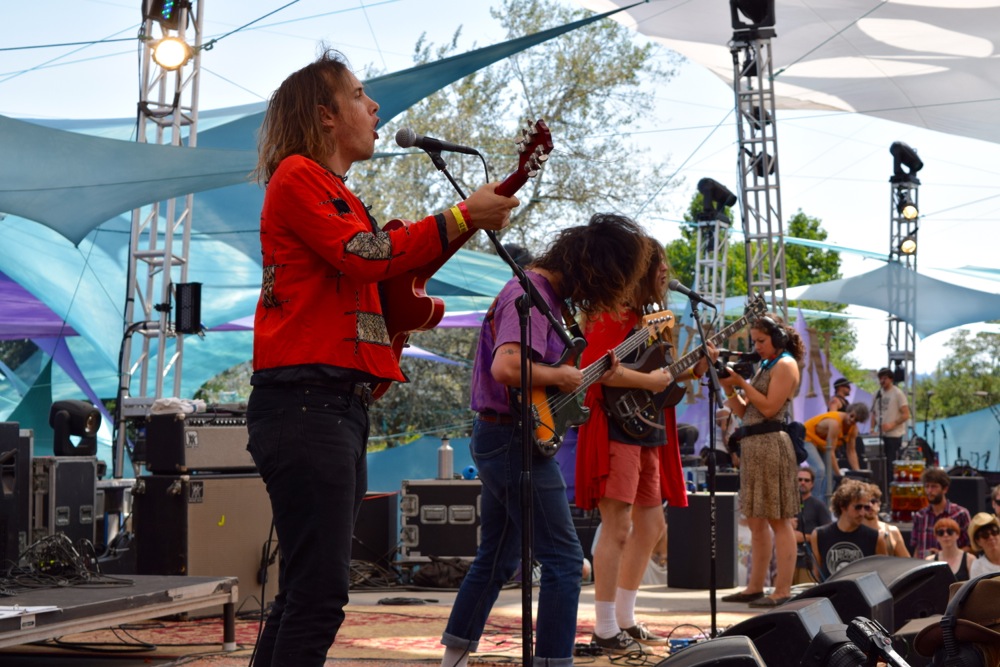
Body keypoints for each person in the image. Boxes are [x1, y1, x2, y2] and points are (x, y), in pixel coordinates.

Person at [244, 50, 518, 667]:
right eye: (361, 96)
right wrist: (459, 215)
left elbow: (379, 282)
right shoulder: (297, 175)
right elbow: (367, 255)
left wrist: (460, 230)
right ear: (325, 116)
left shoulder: (334, 190)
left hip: (330, 406)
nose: (375, 108)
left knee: (305, 592)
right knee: (318, 596)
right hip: (308, 404)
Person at [439, 213, 651, 667]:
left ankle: (452, 659)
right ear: (591, 268)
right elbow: (508, 368)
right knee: (564, 562)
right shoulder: (531, 296)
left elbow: (538, 380)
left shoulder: (544, 296)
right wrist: (560, 374)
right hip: (512, 440)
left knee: (496, 559)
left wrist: (573, 378)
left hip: (505, 437)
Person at [575, 241, 712, 653]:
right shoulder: (608, 312)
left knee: (651, 525)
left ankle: (625, 618)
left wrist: (693, 368)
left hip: (647, 425)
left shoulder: (656, 316)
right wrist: (652, 382)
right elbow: (596, 372)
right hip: (615, 426)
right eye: (658, 263)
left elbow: (656, 373)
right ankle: (603, 627)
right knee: (618, 527)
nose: (666, 270)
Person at [717, 314, 803, 608]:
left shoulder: (786, 364)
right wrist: (730, 388)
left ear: (777, 338)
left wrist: (741, 381)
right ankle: (754, 587)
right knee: (755, 521)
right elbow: (745, 412)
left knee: (779, 520)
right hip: (753, 446)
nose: (758, 346)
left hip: (771, 444)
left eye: (762, 341)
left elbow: (767, 409)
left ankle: (781, 591)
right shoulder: (766, 365)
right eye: (755, 341)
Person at [808, 480, 888, 581]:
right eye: (858, 507)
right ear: (843, 506)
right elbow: (816, 574)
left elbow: (884, 574)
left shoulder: (876, 538)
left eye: (866, 507)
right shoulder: (819, 535)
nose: (862, 513)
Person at [802, 403, 869, 499]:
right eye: (852, 416)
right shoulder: (835, 423)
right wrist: (839, 475)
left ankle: (824, 504)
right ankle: (812, 500)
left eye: (856, 420)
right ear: (848, 412)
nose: (852, 420)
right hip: (807, 438)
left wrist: (857, 472)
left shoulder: (853, 429)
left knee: (831, 475)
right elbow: (830, 452)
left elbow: (851, 451)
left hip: (823, 444)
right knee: (820, 469)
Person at [910, 467, 972, 558]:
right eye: (927, 486)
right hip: (923, 567)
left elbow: (971, 547)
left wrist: (944, 555)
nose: (929, 491)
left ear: (945, 489)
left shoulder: (960, 514)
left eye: (934, 486)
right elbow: (917, 548)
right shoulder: (920, 516)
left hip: (951, 567)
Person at [792, 466, 832, 584]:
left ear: (812, 484)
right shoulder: (786, 505)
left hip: (807, 562)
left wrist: (805, 537)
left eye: (806, 480)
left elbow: (828, 534)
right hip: (786, 561)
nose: (802, 483)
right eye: (799, 480)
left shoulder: (818, 506)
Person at [871, 367, 911, 464]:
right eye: (880, 378)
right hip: (880, 435)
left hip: (894, 435)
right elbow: (874, 413)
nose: (882, 381)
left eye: (884, 378)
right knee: (880, 463)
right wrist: (872, 428)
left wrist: (892, 424)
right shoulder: (877, 394)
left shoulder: (898, 394)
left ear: (891, 379)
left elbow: (906, 415)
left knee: (891, 463)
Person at [862, 483, 910, 557]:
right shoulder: (855, 531)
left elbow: (906, 561)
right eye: (865, 503)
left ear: (879, 504)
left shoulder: (892, 531)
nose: (870, 505)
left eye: (873, 501)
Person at [969, 512, 1000, 578]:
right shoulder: (977, 566)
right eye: (985, 535)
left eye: (994, 531)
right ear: (978, 541)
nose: (991, 537)